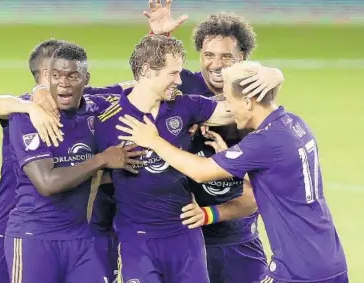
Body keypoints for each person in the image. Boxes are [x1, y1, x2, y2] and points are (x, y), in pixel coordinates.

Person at [116, 62, 349, 283]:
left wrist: (154, 140)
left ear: (248, 102)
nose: (227, 108)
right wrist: (233, 161)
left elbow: (200, 171)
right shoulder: (294, 123)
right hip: (331, 258)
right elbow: (275, 177)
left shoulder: (265, 141)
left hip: (298, 268)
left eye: (228, 100)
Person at [95, 34, 274, 283]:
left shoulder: (184, 107)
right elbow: (59, 102)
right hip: (136, 240)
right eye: (173, 73)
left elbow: (240, 108)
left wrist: (271, 76)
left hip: (184, 233)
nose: (180, 80)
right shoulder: (106, 117)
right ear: (147, 70)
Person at [144, 2, 286, 281]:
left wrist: (276, 74)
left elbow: (259, 192)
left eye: (226, 57)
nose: (216, 64)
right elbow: (147, 77)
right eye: (208, 55)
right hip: (181, 236)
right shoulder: (181, 85)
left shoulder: (255, 102)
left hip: (237, 239)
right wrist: (158, 38)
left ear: (243, 57)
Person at [0, 39, 128, 283]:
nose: (63, 82)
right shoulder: (25, 114)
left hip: (78, 235)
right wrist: (102, 160)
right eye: (54, 75)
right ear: (43, 78)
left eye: (71, 75)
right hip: (22, 227)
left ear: (84, 78)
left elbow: (141, 87)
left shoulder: (89, 105)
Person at [0, 39, 67, 283]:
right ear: (46, 73)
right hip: (8, 220)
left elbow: (135, 88)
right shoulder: (21, 112)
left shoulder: (83, 108)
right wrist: (29, 106)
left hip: (57, 230)